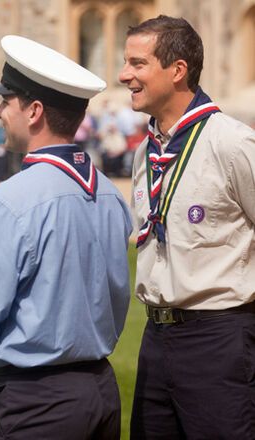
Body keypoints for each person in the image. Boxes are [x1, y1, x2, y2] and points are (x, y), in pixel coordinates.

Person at [0, 35, 133, 439]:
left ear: (33, 111)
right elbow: (117, 297)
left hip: (35, 399)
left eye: (6, 101)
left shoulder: (15, 199)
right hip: (100, 387)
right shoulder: (107, 193)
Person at [120, 15, 255, 439]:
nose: (124, 75)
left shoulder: (232, 143)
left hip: (220, 339)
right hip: (155, 337)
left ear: (177, 70)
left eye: (138, 64)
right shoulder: (145, 152)